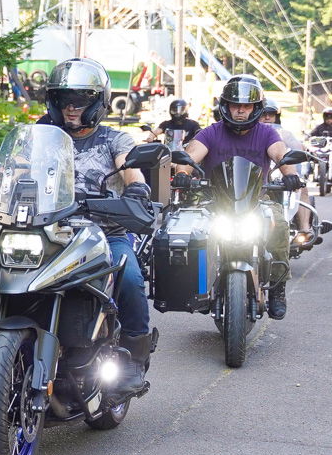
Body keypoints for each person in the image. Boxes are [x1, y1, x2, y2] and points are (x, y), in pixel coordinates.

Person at [38, 57, 154, 395]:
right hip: (47, 233)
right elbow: (13, 168)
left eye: (81, 100)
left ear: (98, 101)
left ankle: (133, 358)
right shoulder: (42, 135)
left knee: (130, 277)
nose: (71, 108)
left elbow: (130, 167)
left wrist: (135, 187)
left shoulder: (114, 140)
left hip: (104, 234)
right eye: (63, 99)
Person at [173, 75, 303, 319]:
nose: (241, 110)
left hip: (256, 201)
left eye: (246, 106)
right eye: (235, 105)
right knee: (193, 232)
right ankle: (199, 287)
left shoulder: (266, 134)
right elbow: (191, 156)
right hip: (216, 202)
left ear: (256, 108)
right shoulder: (211, 133)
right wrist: (182, 173)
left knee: (280, 225)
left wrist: (291, 174)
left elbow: (280, 154)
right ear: (226, 106)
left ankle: (277, 288)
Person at [260, 98, 312, 236]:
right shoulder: (252, 133)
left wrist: (305, 151)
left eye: (270, 114)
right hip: (258, 175)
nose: (267, 117)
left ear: (276, 116)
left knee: (302, 187)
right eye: (263, 114)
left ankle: (304, 229)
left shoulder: (284, 133)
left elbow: (296, 145)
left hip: (280, 171)